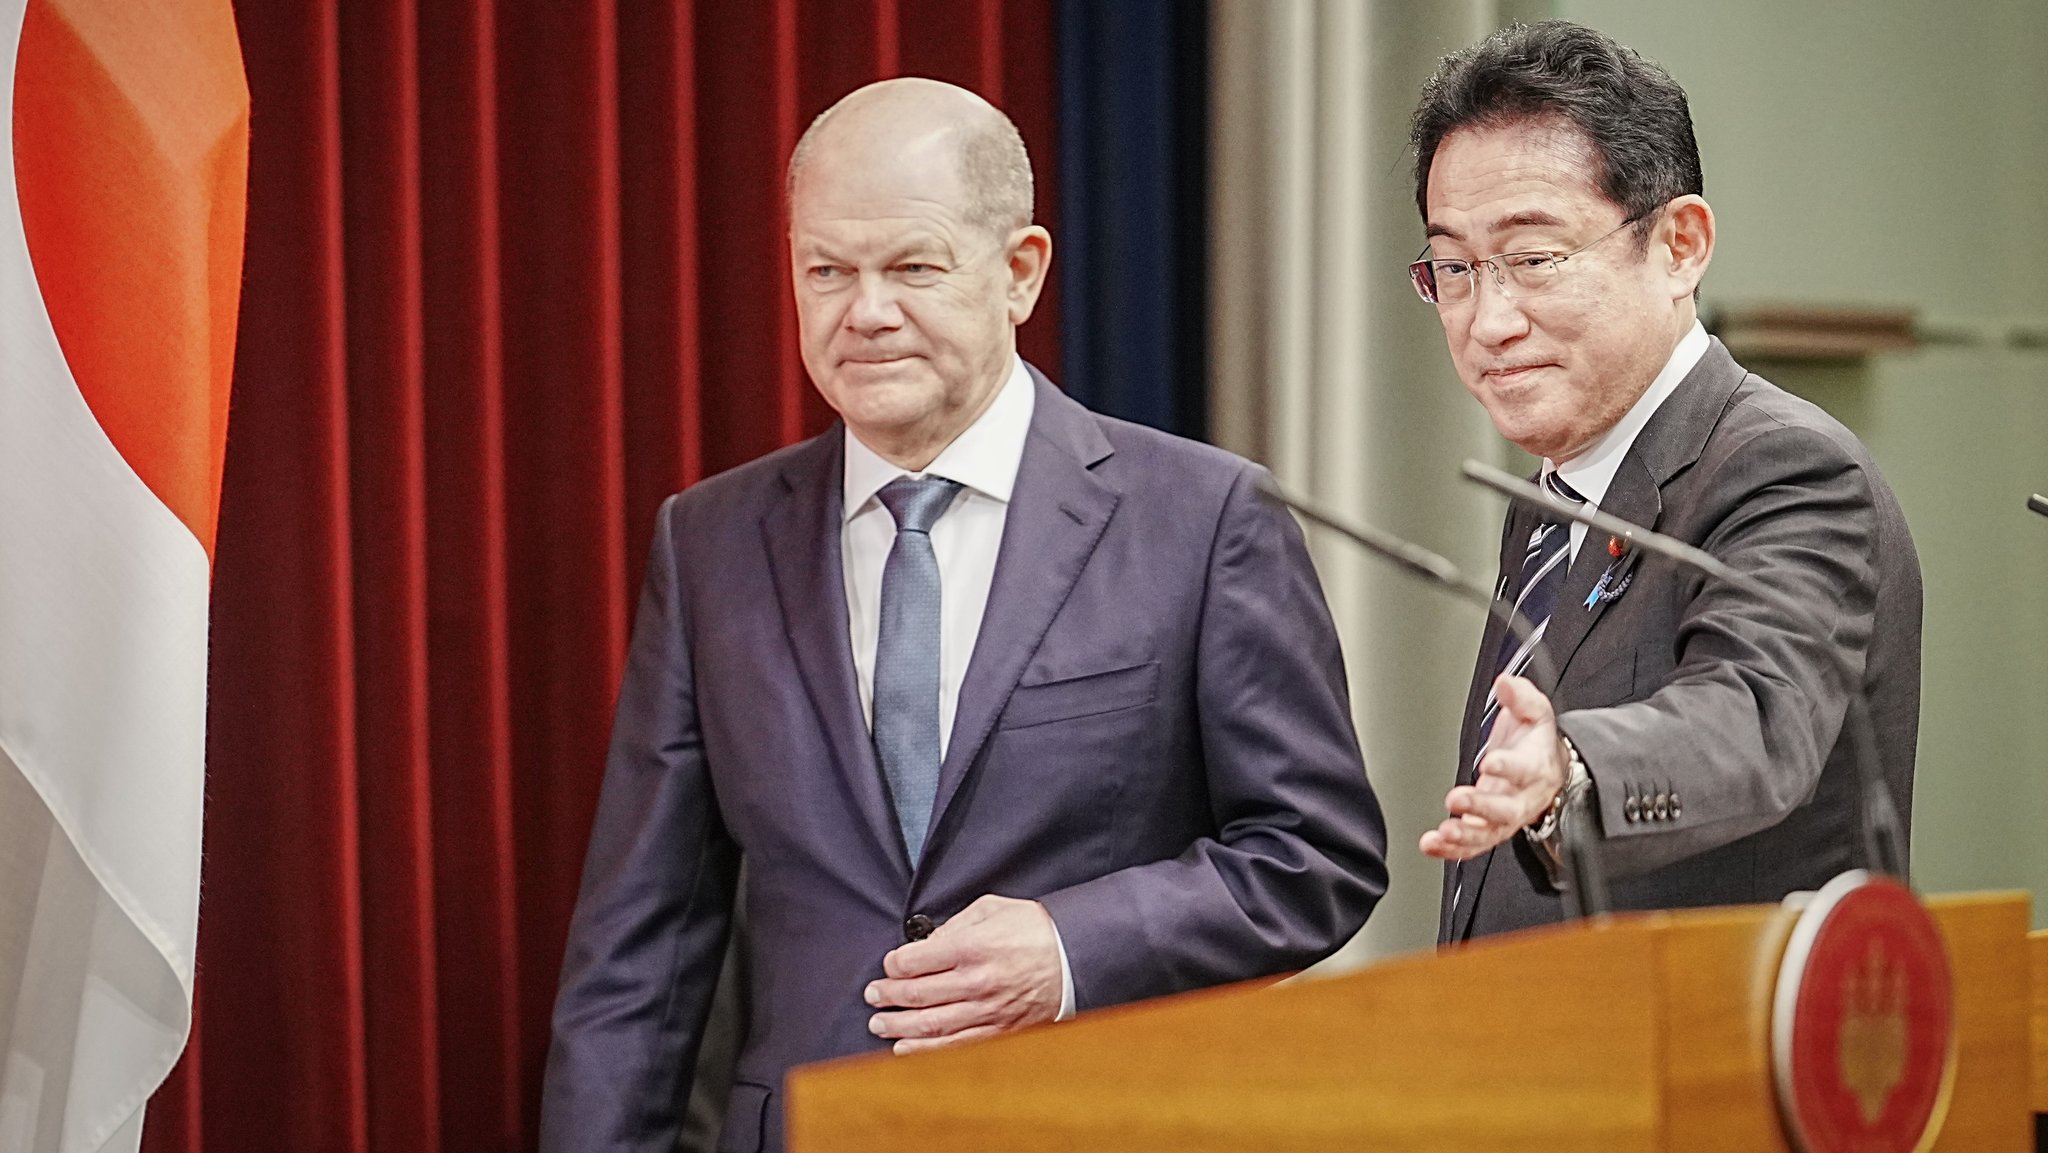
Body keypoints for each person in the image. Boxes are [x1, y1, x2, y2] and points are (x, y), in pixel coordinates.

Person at [537, 77, 1388, 1153]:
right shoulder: (709, 543)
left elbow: (1315, 854)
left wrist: (1071, 947)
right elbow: (639, 950)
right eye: (825, 272)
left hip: (1095, 1120)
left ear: (1019, 272)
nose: (866, 312)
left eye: (912, 267)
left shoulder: (1203, 517)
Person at [1406, 22, 1921, 942]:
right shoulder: (1554, 502)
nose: (1487, 321)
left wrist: (1571, 767)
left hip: (1714, 1060)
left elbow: (1755, 715)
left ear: (1679, 245)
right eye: (1454, 269)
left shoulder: (1784, 466)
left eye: (1533, 260)